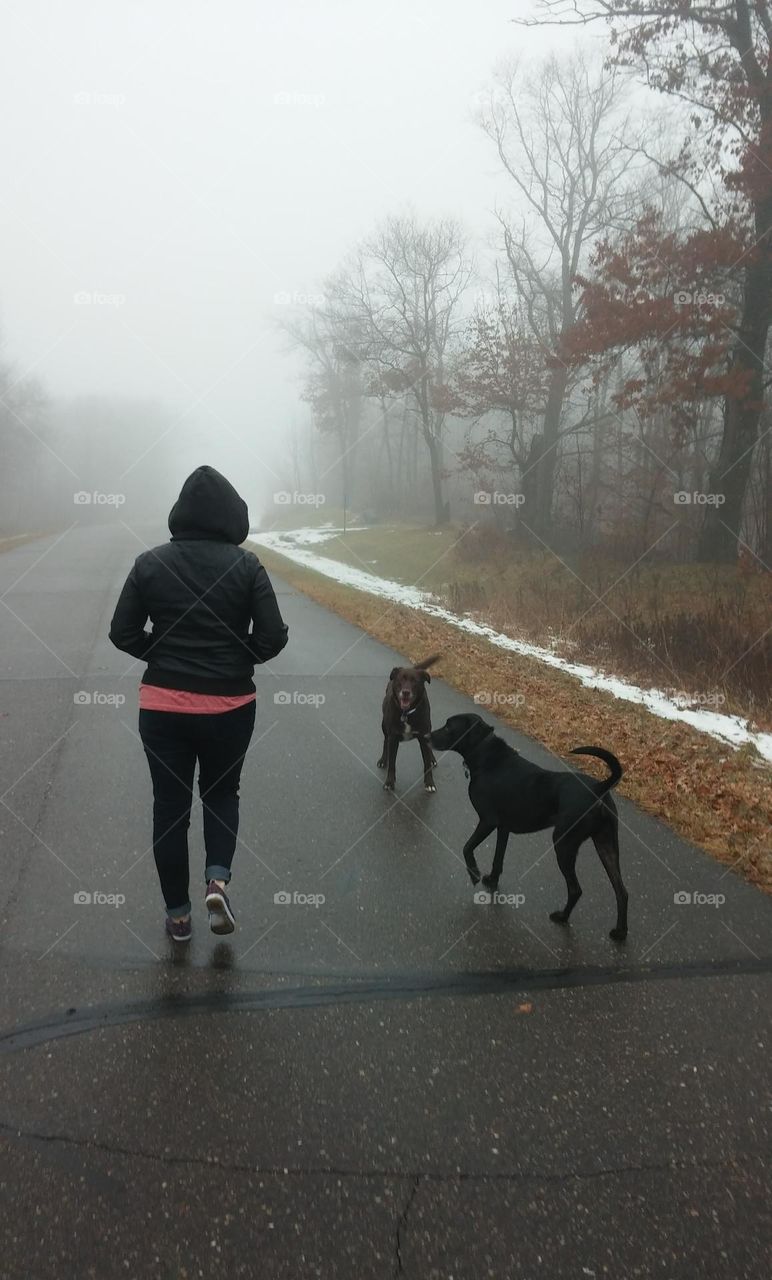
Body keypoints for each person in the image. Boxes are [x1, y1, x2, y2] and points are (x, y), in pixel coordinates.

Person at [109, 465, 288, 942]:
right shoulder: (247, 566)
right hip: (229, 706)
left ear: (180, 514)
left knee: (169, 807)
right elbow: (272, 637)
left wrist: (162, 655)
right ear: (233, 516)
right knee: (221, 794)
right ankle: (217, 880)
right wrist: (235, 659)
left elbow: (121, 632)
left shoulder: (150, 563)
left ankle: (178, 916)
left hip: (162, 706)